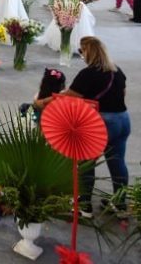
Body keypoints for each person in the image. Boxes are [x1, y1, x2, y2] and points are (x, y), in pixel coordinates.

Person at [35, 37, 129, 214]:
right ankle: (120, 204)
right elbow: (123, 93)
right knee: (117, 162)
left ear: (88, 52)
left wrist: (43, 101)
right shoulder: (117, 71)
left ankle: (84, 206)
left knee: (86, 162)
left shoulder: (88, 74)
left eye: (81, 51)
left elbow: (67, 96)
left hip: (101, 123)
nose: (81, 55)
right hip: (123, 120)